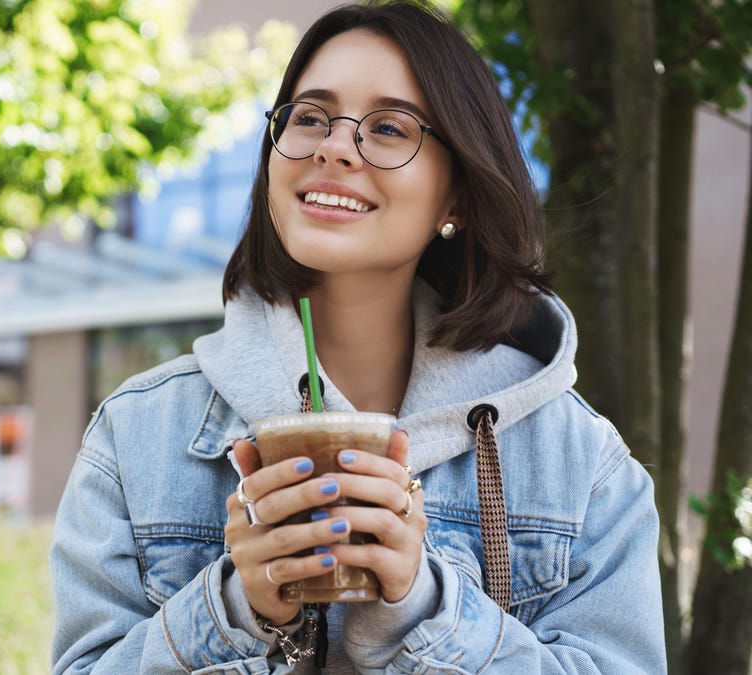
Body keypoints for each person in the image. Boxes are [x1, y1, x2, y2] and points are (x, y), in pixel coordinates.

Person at [49, 1, 667, 672]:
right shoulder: (137, 434)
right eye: (309, 117)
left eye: (389, 128)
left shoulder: (578, 461)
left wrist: (423, 607)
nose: (334, 146)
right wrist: (234, 608)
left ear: (457, 193)